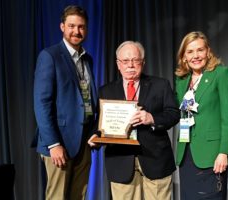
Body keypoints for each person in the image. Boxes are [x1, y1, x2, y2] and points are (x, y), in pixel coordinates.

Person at [88, 41, 180, 200]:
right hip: (120, 161)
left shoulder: (160, 85)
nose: (130, 65)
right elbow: (101, 122)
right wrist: (96, 136)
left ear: (142, 63)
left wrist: (151, 118)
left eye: (135, 60)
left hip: (155, 159)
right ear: (118, 64)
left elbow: (173, 114)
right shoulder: (106, 90)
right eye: (125, 61)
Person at [33, 5, 97, 200]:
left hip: (84, 141)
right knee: (58, 197)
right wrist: (53, 144)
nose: (76, 31)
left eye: (81, 26)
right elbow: (42, 103)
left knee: (79, 195)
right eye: (71, 26)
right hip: (59, 142)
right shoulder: (50, 56)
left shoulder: (88, 59)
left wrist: (95, 131)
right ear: (62, 27)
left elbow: (86, 99)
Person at [174, 31, 228, 199]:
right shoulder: (181, 80)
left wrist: (224, 152)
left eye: (200, 50)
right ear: (184, 56)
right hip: (187, 154)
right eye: (190, 51)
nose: (196, 56)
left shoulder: (221, 74)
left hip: (212, 155)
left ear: (208, 51)